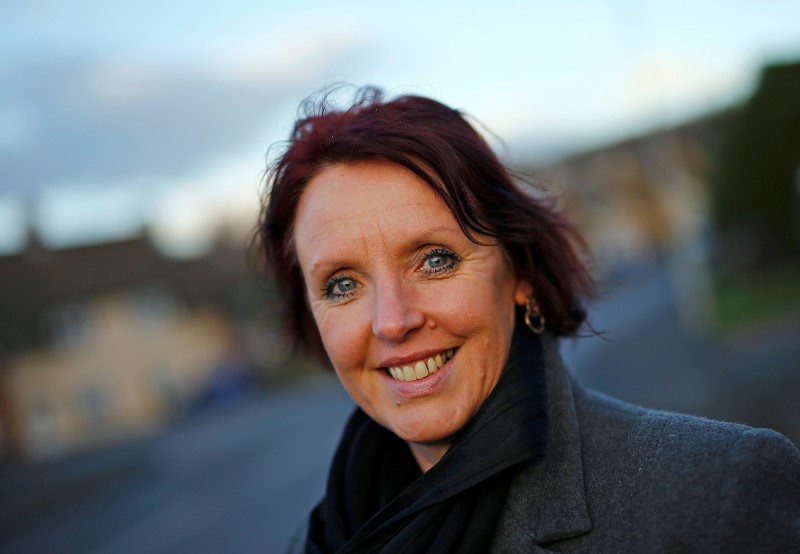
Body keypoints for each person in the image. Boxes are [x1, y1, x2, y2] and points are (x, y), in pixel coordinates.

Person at [257, 87, 800, 553]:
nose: (392, 321)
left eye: (436, 259)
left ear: (519, 273)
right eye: (343, 285)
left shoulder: (718, 490)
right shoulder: (317, 541)